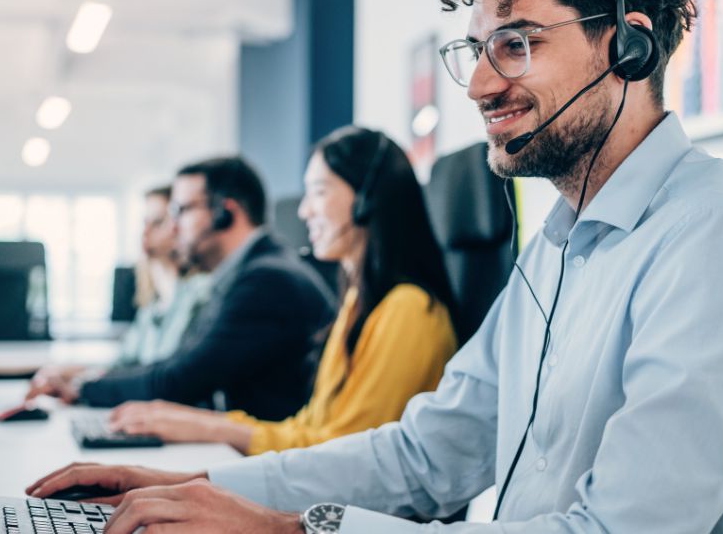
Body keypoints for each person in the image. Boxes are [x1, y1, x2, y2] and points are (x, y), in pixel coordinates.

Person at [26, 0, 723, 532]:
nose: (482, 84)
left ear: (626, 46)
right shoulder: (556, 250)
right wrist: (195, 485)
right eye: (477, 50)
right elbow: (425, 457)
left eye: (516, 44)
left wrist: (285, 530)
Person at [104, 126, 460, 454]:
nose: (304, 211)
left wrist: (214, 429)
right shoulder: (358, 303)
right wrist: (208, 425)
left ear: (367, 198)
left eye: (318, 191)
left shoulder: (409, 310)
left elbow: (346, 451)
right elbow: (311, 426)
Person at [41, 157, 336, 421]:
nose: (173, 228)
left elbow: (178, 381)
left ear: (225, 212)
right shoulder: (244, 274)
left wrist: (82, 388)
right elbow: (175, 364)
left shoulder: (266, 281)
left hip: (272, 459)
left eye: (181, 211)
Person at [25, 185, 212, 403]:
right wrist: (69, 374)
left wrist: (82, 386)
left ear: (179, 226)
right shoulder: (153, 305)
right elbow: (123, 365)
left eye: (157, 222)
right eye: (144, 223)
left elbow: (165, 377)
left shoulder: (201, 292)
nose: (145, 232)